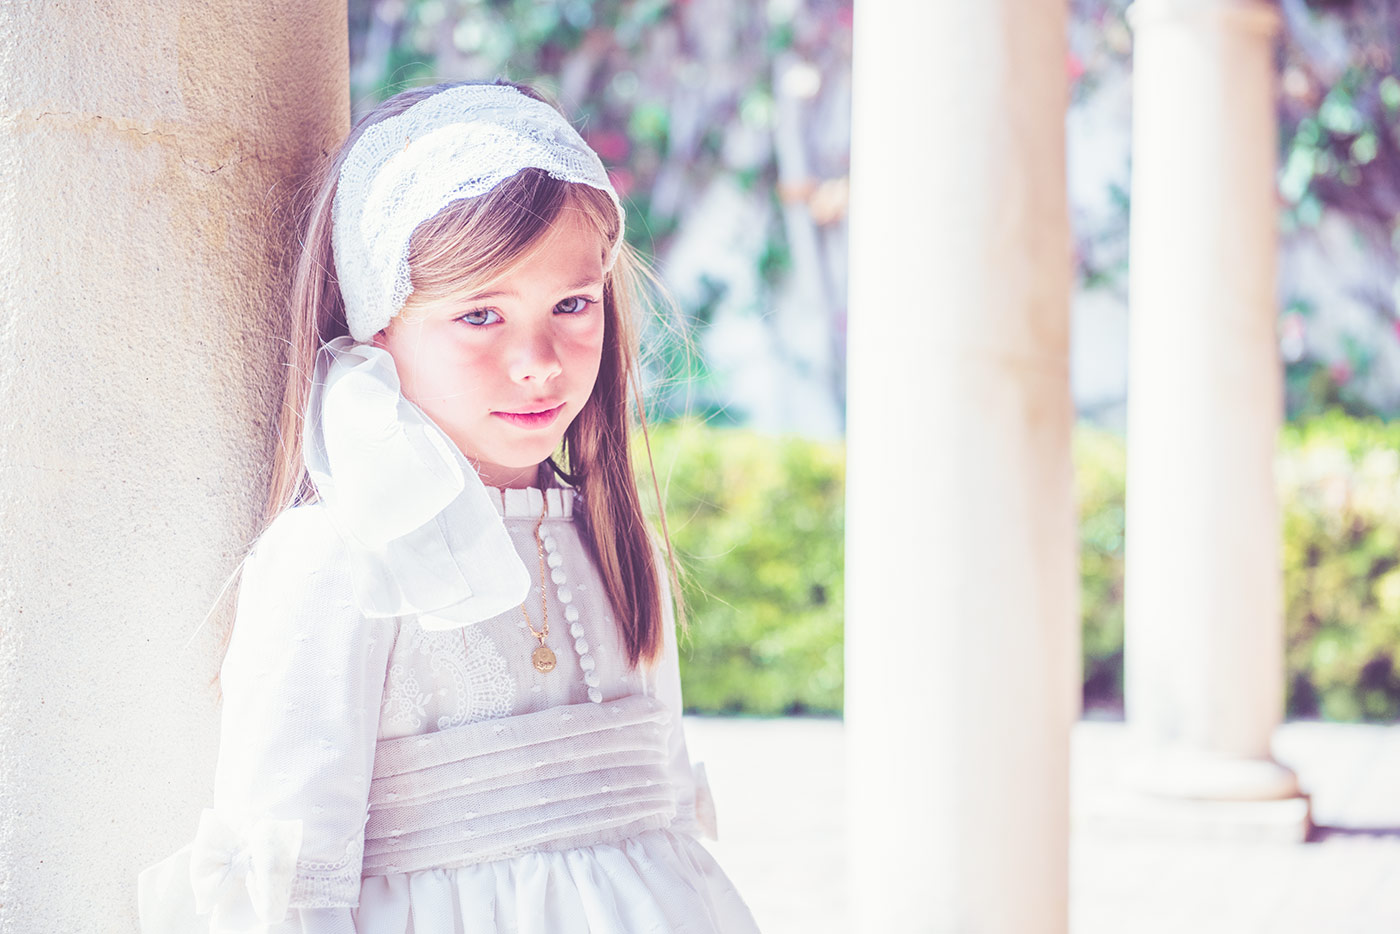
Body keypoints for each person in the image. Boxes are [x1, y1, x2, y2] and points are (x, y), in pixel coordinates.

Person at [136, 78, 761, 933]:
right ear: (379, 329)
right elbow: (295, 879)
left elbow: (661, 828)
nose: (538, 359)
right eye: (480, 315)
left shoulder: (617, 541)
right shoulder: (340, 559)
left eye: (572, 305)